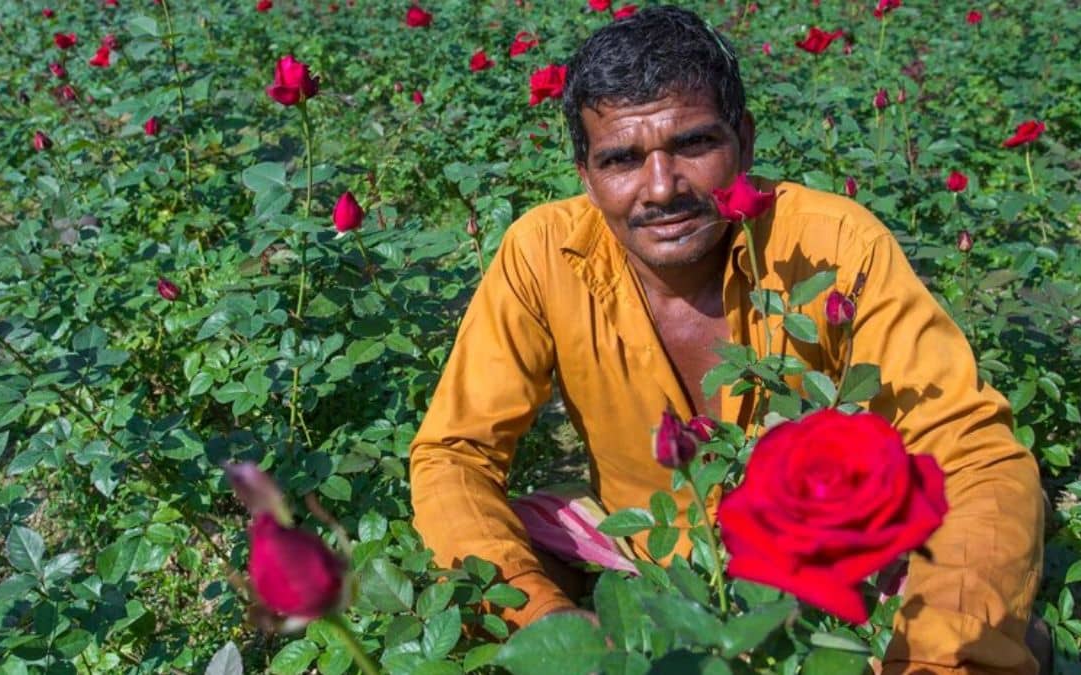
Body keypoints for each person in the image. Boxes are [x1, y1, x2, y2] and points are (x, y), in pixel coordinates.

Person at [410, 6, 1044, 673]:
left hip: (826, 561)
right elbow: (453, 452)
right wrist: (549, 621)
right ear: (585, 174)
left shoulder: (833, 246)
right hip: (649, 550)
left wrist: (940, 657)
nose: (662, 188)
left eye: (693, 144)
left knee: (967, 606)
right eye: (622, 159)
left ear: (743, 138)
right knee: (489, 542)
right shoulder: (543, 254)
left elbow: (974, 453)